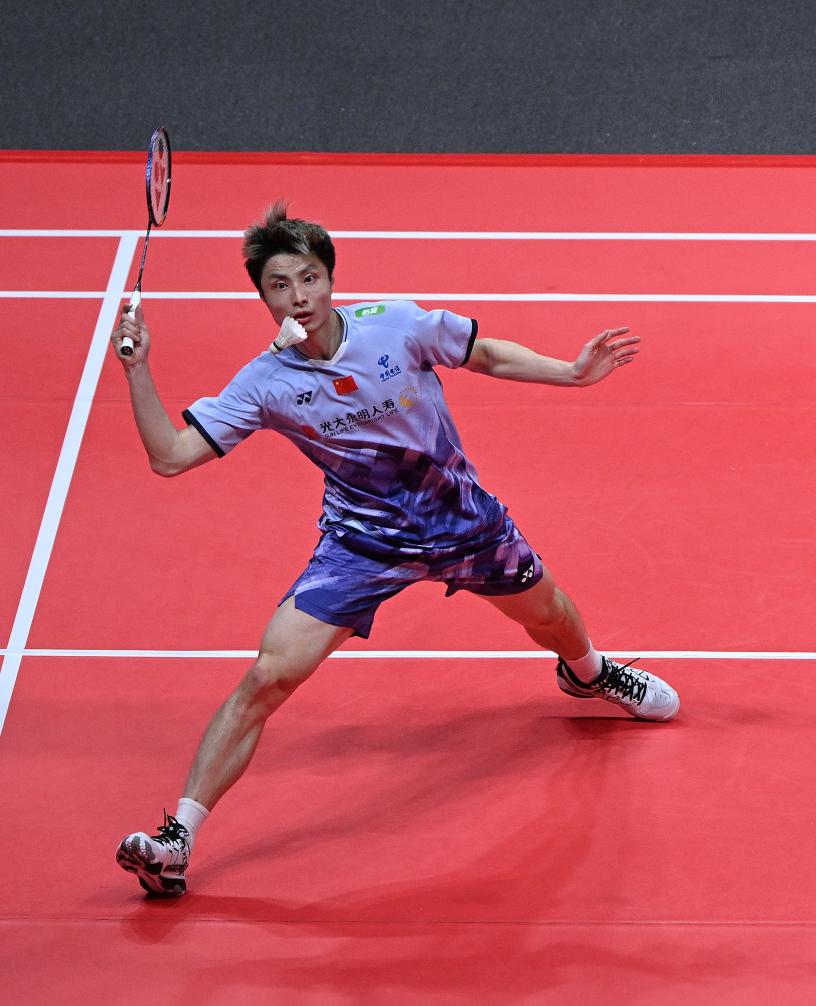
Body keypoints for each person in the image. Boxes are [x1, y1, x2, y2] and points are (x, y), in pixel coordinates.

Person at [112, 201, 679, 898]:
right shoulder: (265, 382)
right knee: (267, 677)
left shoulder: (397, 326)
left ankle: (588, 674)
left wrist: (571, 372)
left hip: (460, 521)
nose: (299, 297)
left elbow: (485, 353)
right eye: (280, 285)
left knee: (552, 615)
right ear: (262, 297)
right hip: (362, 544)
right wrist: (138, 369)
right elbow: (171, 456)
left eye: (310, 278)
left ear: (330, 278)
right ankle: (177, 841)